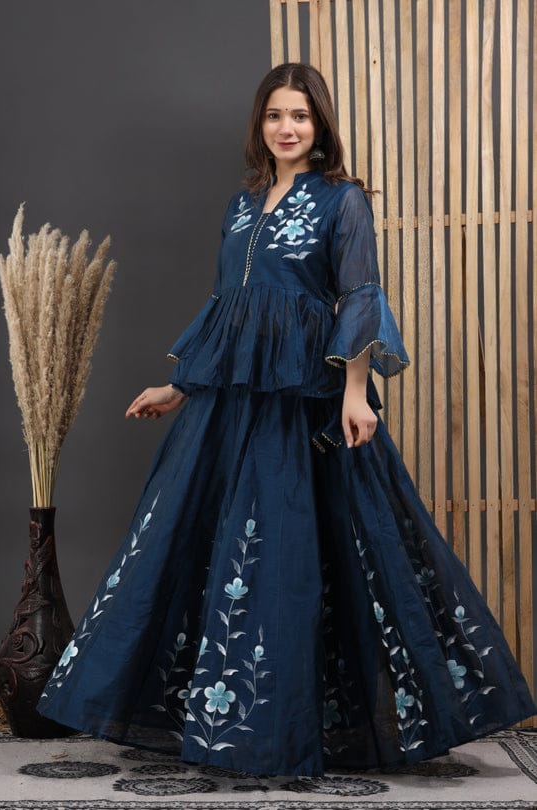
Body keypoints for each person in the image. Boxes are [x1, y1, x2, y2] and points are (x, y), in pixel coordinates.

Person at [37, 62, 536, 777]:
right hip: (230, 410)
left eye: (300, 115)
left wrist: (355, 391)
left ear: (319, 122)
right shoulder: (242, 205)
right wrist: (178, 386)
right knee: (210, 546)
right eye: (275, 115)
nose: (287, 127)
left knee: (294, 550)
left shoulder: (342, 200)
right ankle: (226, 725)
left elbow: (359, 296)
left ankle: (286, 729)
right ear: (260, 124)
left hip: (306, 404)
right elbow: (229, 309)